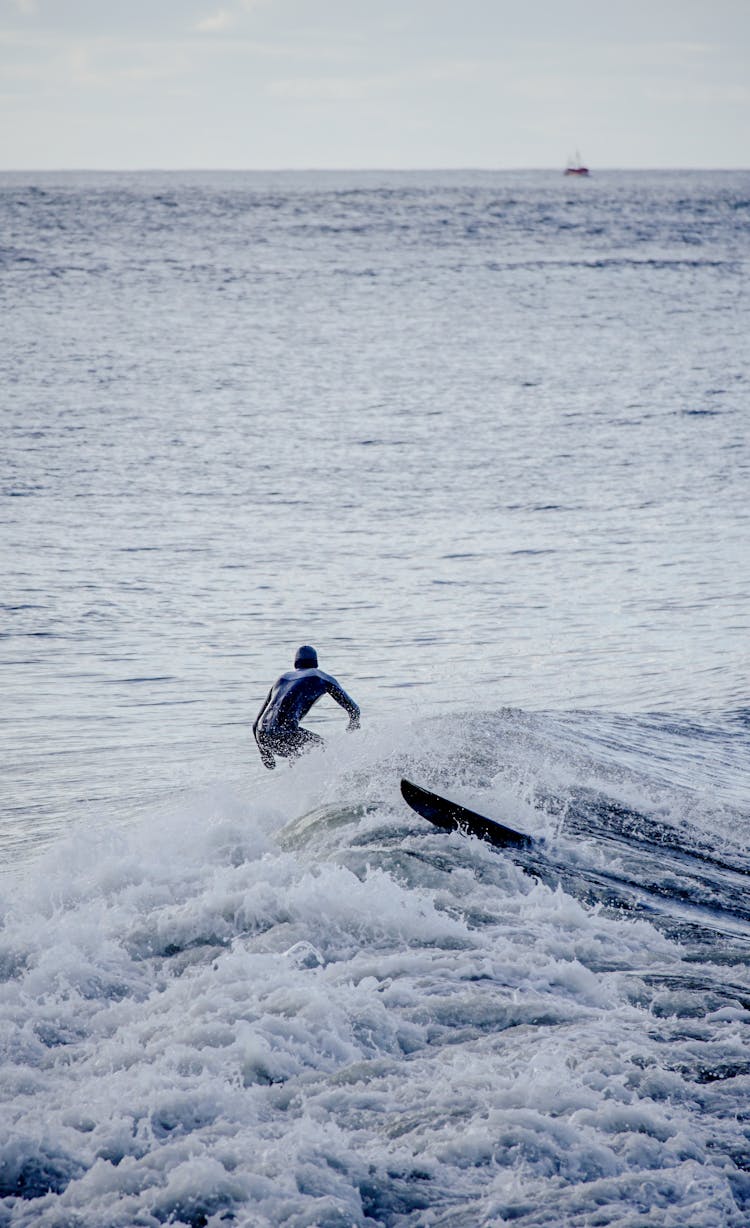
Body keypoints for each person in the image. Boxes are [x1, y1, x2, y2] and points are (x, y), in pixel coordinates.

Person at [253, 645, 360, 770]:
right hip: (286, 732)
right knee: (323, 748)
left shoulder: (282, 679)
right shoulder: (320, 677)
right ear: (316, 663)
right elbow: (354, 709)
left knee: (299, 753)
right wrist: (353, 725)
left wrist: (265, 753)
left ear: (295, 664)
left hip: (262, 736)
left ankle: (293, 781)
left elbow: (255, 724)